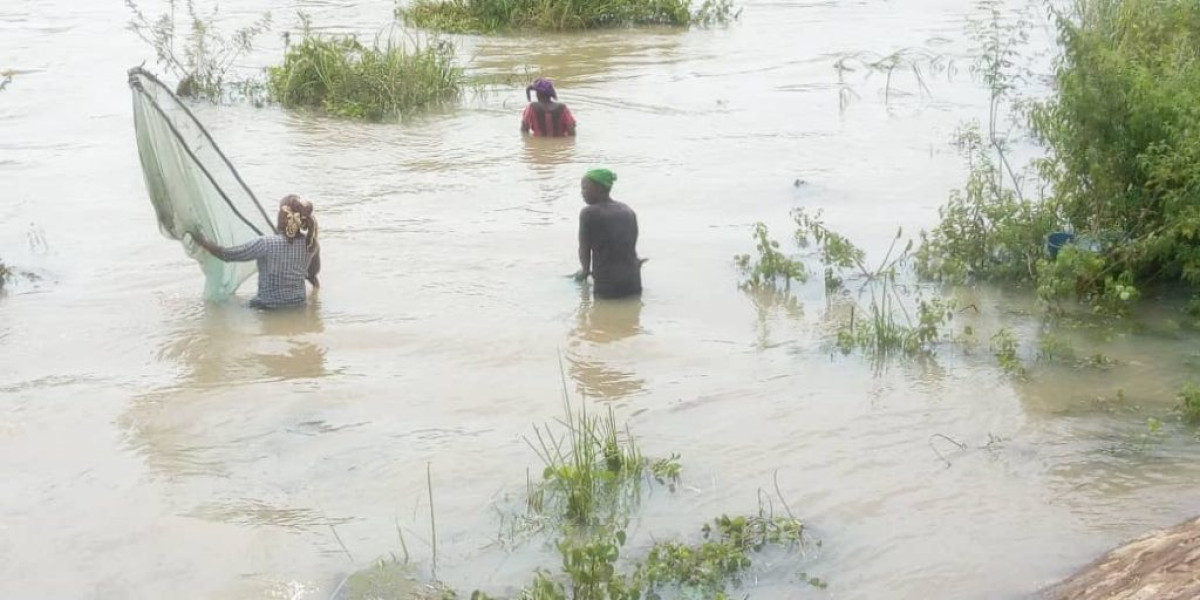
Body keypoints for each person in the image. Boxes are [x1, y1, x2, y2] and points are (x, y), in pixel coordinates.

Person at [191, 195, 321, 309]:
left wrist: (201, 240)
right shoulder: (311, 244)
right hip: (298, 306)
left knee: (221, 308)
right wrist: (314, 294)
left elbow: (227, 255)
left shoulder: (266, 243)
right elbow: (312, 275)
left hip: (267, 307)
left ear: (282, 217)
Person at [573, 169, 643, 299]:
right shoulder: (627, 210)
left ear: (599, 189)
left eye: (585, 188)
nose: (582, 193)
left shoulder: (588, 213)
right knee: (631, 318)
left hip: (607, 283)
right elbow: (630, 245)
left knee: (600, 316)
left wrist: (585, 270)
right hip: (633, 281)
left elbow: (584, 248)